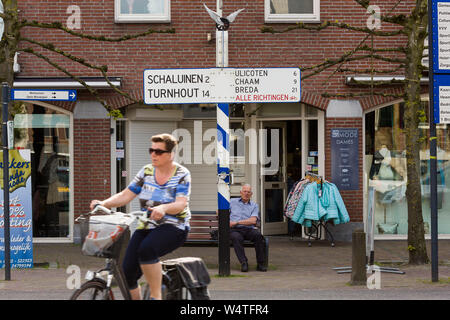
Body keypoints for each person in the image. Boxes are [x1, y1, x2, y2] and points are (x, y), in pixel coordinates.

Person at [90, 133, 191, 300]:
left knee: (146, 250)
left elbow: (181, 203)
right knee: (127, 270)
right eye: (151, 150)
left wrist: (164, 208)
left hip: (175, 226)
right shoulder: (146, 172)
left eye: (158, 152)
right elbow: (126, 194)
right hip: (147, 225)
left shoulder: (181, 174)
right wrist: (104, 203)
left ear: (171, 154)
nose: (153, 154)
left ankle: (156, 295)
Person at [229, 184, 267, 272]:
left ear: (251, 194)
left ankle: (260, 264)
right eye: (244, 191)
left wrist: (237, 222)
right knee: (236, 237)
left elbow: (253, 221)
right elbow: (220, 211)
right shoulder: (232, 201)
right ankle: (244, 262)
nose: (246, 193)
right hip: (234, 229)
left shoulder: (254, 205)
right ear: (240, 193)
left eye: (248, 192)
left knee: (258, 236)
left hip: (248, 229)